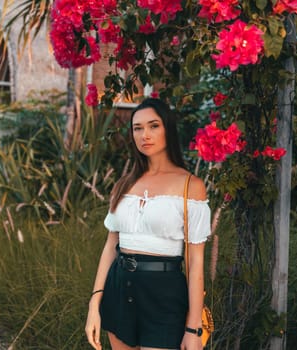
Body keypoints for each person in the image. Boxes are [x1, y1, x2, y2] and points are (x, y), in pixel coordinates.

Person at [85, 98, 211, 350]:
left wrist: (193, 328)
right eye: (137, 128)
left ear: (168, 129)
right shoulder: (124, 184)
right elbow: (111, 245)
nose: (145, 135)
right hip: (118, 289)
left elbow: (196, 262)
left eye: (154, 126)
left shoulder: (190, 186)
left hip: (164, 295)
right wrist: (94, 305)